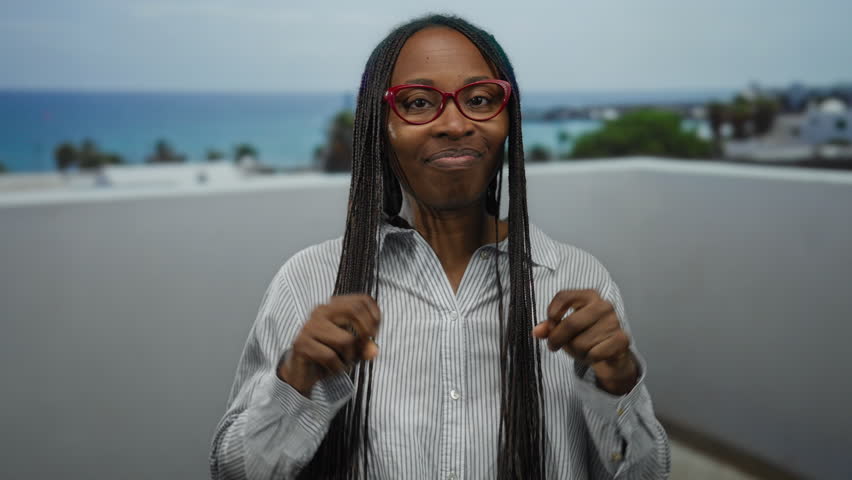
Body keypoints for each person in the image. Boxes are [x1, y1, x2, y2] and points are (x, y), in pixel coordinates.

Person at [210, 14, 670, 480]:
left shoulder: (578, 280)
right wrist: (296, 379)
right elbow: (234, 472)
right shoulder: (308, 282)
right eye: (417, 102)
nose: (454, 123)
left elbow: (647, 474)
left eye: (479, 99)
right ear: (379, 127)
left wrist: (618, 382)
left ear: (509, 119)